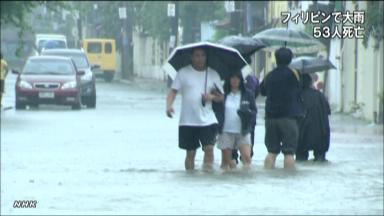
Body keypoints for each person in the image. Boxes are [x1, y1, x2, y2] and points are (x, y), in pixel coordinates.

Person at [166, 48, 224, 170]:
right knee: (190, 153)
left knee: (209, 148)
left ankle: (207, 175)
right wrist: (169, 106)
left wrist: (211, 97)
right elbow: (173, 91)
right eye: (197, 56)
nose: (200, 59)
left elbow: (222, 97)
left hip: (208, 119)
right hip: (188, 120)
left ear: (206, 57)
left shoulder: (213, 74)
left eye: (203, 55)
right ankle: (190, 178)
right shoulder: (182, 73)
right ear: (191, 57)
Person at [260, 47, 304, 169]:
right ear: (290, 59)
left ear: (276, 58)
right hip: (288, 118)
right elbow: (301, 89)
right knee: (289, 152)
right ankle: (287, 180)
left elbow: (262, 91)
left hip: (270, 118)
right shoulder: (295, 74)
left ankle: (268, 173)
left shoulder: (269, 75)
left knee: (272, 151)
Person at [215, 71, 256, 169]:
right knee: (226, 162)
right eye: (232, 77)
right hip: (225, 131)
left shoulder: (248, 94)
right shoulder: (222, 94)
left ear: (241, 80)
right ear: (228, 80)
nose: (234, 80)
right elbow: (215, 111)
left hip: (243, 130)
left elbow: (254, 111)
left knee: (247, 158)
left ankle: (246, 181)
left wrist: (248, 114)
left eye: (237, 78)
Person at [296, 74, 331, 162]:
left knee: (300, 159)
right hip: (321, 135)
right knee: (320, 160)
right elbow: (328, 111)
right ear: (310, 83)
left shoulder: (297, 97)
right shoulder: (320, 96)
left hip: (302, 136)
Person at [231, 74, 260, 164]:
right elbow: (257, 93)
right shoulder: (253, 78)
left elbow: (255, 97)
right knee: (241, 155)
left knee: (244, 154)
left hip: (247, 122)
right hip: (236, 124)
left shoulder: (251, 80)